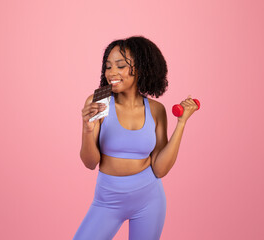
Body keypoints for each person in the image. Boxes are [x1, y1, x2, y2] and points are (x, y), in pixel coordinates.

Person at [73, 36, 198, 240]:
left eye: (120, 66)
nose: (111, 73)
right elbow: (90, 162)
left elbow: (160, 169)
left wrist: (181, 123)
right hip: (107, 200)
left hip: (149, 199)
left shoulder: (156, 110)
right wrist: (87, 130)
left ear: (140, 68)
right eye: (108, 66)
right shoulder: (100, 101)